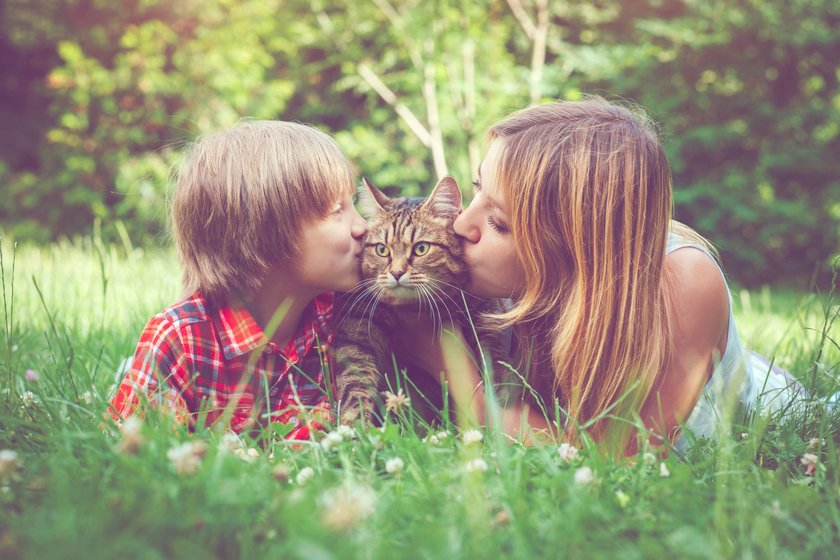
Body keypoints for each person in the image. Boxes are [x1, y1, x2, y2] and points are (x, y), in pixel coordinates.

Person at [443, 97, 804, 455]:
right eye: (477, 189)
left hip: (771, 406)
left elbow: (616, 461)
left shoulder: (686, 280)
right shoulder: (523, 283)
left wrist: (457, 378)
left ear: (574, 244)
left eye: (499, 223)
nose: (461, 224)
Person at [109, 121, 368, 439]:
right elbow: (133, 463)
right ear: (264, 234)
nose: (363, 226)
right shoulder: (182, 340)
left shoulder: (350, 323)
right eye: (336, 210)